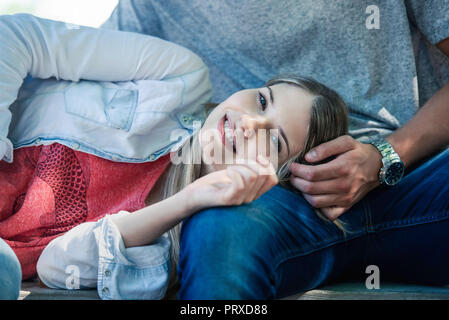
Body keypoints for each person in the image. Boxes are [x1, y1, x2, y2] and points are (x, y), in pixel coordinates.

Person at [100, 1, 449, 299]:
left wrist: (386, 156)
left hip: (414, 171)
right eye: (262, 100)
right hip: (271, 198)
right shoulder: (151, 8)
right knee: (219, 233)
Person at [0, 14, 348, 299]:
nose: (250, 123)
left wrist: (186, 201)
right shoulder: (178, 77)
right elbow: (18, 37)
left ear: (274, 178)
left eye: (273, 140)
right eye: (262, 101)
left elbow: (55, 267)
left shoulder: (172, 248)